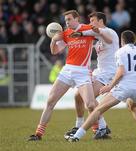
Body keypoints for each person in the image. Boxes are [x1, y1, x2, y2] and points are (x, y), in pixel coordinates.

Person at [68, 30, 136, 142]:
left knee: (98, 110)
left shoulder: (120, 51)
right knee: (132, 106)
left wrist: (110, 86)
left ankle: (76, 136)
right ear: (134, 40)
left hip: (124, 88)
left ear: (122, 41)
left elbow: (121, 72)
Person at [28, 10, 97, 141]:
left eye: (69, 19)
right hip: (67, 70)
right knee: (50, 102)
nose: (67, 22)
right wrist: (53, 41)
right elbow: (54, 51)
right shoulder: (66, 33)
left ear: (77, 18)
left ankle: (97, 130)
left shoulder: (88, 28)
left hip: (82, 71)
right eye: (65, 20)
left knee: (91, 104)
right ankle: (38, 134)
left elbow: (101, 34)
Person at [64, 12, 119, 140]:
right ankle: (79, 125)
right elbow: (88, 32)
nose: (90, 23)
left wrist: (89, 32)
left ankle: (102, 127)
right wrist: (80, 33)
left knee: (89, 99)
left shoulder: (109, 32)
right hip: (99, 71)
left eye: (93, 20)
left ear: (100, 21)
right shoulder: (96, 33)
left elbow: (107, 39)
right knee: (78, 96)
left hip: (109, 73)